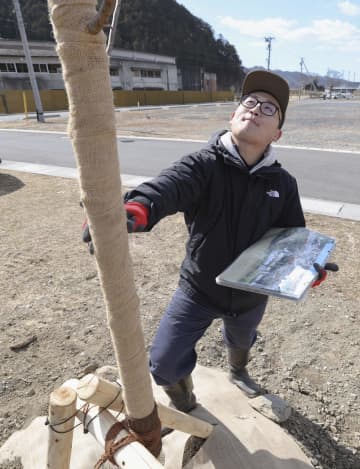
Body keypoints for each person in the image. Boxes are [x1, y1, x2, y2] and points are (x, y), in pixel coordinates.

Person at [83, 70, 307, 411]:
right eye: (249, 102)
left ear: (276, 134)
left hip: (251, 294)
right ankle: (186, 402)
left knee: (242, 338)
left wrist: (309, 265)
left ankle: (238, 369)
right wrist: (134, 208)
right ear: (233, 116)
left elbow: (293, 236)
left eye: (269, 108)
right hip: (199, 289)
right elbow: (166, 187)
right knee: (163, 362)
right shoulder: (203, 166)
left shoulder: (283, 183)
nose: (256, 109)